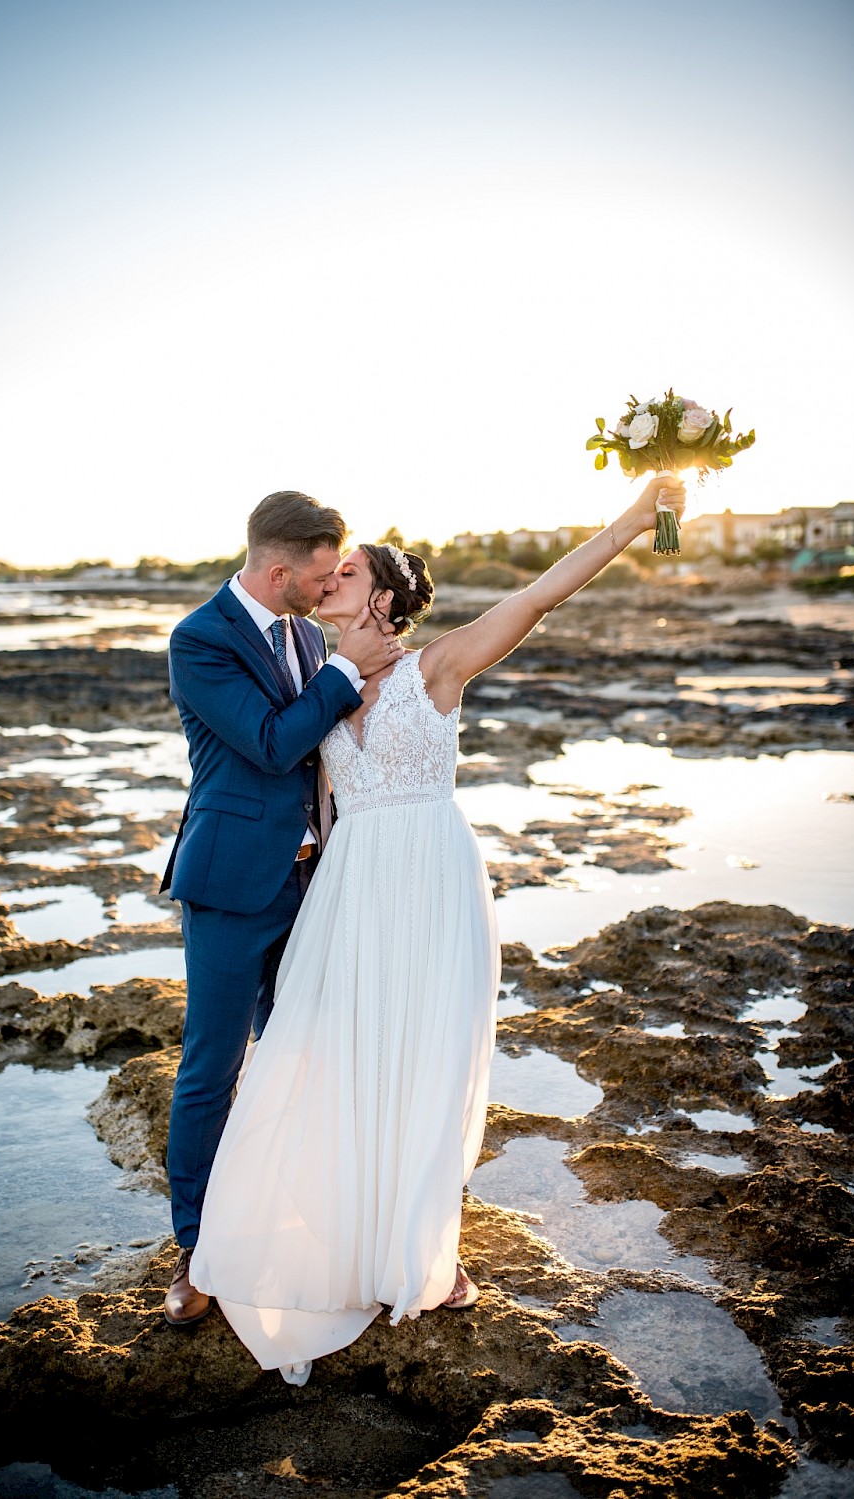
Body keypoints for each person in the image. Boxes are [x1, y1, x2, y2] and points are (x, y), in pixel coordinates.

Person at [184, 473, 686, 1382]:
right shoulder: (319, 670)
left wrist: (635, 519)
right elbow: (321, 802)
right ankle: (310, 1236)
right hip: (348, 889)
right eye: (325, 570)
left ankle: (419, 1247)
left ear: (379, 596)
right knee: (335, 1053)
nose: (328, 577)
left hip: (433, 879)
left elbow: (537, 594)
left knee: (425, 1058)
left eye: (348, 571)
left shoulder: (437, 665)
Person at [159, 491, 402, 1328]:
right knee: (210, 1072)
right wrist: (343, 673)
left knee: (314, 1061)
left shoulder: (304, 630)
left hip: (311, 888)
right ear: (278, 569)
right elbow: (271, 743)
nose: (327, 582)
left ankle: (318, 1230)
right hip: (229, 887)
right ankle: (198, 1251)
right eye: (318, 571)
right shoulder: (200, 640)